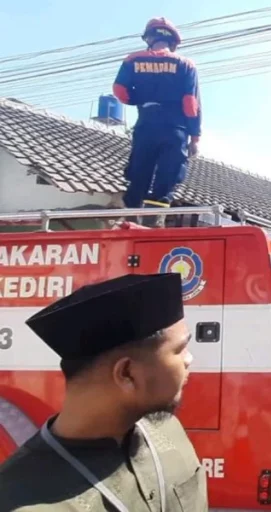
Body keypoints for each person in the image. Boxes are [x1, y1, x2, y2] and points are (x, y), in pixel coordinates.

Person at [0, 273, 206, 511]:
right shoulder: (20, 500)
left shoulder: (168, 431)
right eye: (179, 349)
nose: (189, 359)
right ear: (127, 374)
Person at [113, 17, 202, 214]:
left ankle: (131, 217)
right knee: (167, 177)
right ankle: (153, 223)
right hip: (174, 129)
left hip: (146, 125)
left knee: (139, 173)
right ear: (173, 42)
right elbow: (190, 104)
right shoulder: (186, 64)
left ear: (149, 38)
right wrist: (194, 138)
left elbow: (119, 91)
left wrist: (139, 99)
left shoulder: (132, 60)